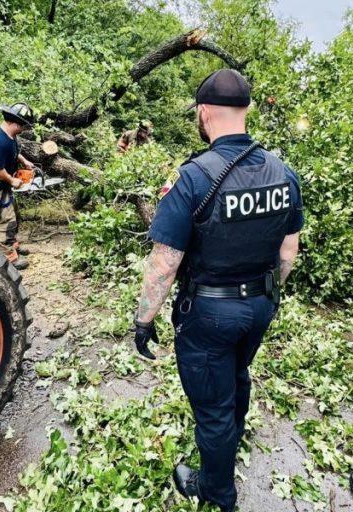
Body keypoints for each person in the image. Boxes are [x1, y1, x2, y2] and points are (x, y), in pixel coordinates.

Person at [132, 69, 305, 512]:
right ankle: (234, 430)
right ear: (245, 111)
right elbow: (289, 251)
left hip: (209, 313)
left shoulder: (191, 177)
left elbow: (164, 263)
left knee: (211, 406)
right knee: (236, 372)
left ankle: (217, 491)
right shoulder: (283, 171)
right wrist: (266, 294)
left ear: (204, 112)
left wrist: (144, 319)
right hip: (261, 304)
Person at [0, 103, 35, 270]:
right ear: (17, 123)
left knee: (14, 214)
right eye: (24, 126)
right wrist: (12, 181)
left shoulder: (9, 135)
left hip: (3, 183)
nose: (24, 129)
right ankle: (7, 258)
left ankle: (13, 245)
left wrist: (23, 161)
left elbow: (13, 150)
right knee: (4, 220)